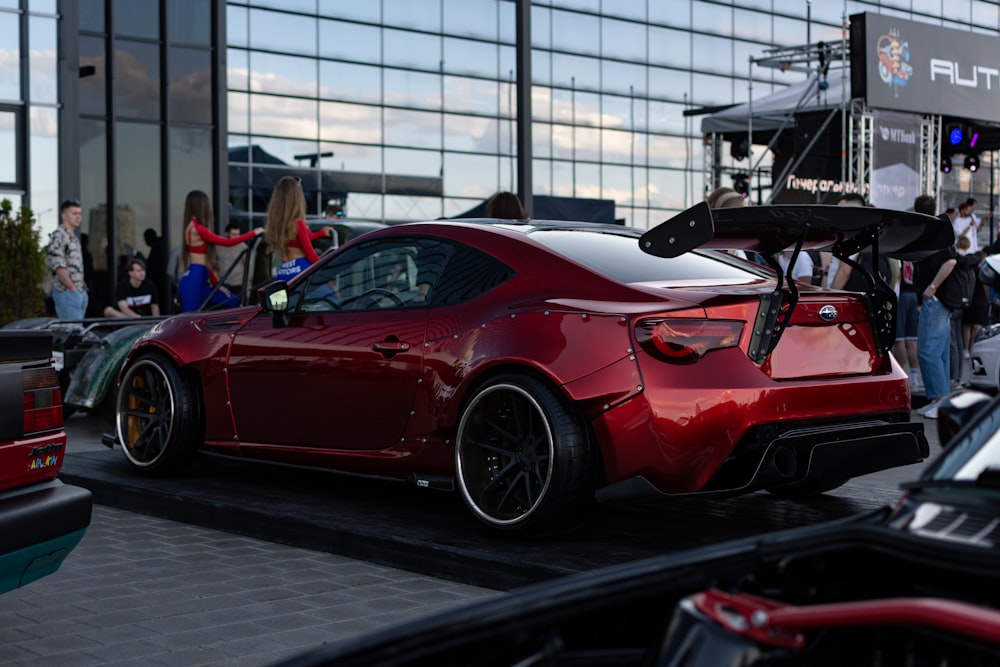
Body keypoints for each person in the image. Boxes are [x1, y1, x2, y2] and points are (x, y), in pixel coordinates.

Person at [178, 190, 263, 312]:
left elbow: (205, 262)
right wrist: (253, 233)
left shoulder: (193, 227)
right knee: (190, 321)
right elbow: (227, 243)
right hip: (194, 280)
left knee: (232, 301)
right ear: (202, 206)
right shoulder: (198, 229)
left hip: (198, 278)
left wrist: (217, 285)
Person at [915, 205, 959, 419]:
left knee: (928, 351)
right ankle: (939, 399)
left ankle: (940, 399)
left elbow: (950, 261)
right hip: (939, 300)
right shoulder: (939, 232)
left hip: (935, 299)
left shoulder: (934, 234)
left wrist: (932, 287)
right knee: (938, 352)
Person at [893, 194, 934, 390]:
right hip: (915, 294)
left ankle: (901, 374)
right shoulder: (925, 240)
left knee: (900, 338)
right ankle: (915, 376)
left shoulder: (902, 243)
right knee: (912, 337)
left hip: (901, 294)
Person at [265, 176, 334, 281]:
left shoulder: (277, 224)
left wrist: (320, 233)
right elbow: (310, 254)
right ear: (297, 198)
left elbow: (300, 239)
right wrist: (325, 272)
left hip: (283, 273)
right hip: (302, 271)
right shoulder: (298, 223)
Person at [45, 199, 88, 320]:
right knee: (71, 332)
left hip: (78, 291)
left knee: (77, 332)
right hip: (66, 292)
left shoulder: (73, 237)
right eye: (74, 213)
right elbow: (58, 267)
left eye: (80, 214)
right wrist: (71, 288)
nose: (78, 217)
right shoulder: (58, 235)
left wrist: (80, 291)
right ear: (64, 215)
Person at [214, 222, 250, 296]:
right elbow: (213, 262)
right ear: (227, 234)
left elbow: (249, 268)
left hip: (238, 284)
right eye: (234, 234)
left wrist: (247, 288)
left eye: (238, 234)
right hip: (222, 282)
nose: (236, 237)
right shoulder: (219, 246)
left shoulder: (243, 248)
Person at [143, 228, 169, 314]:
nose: (145, 241)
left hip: (160, 281)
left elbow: (154, 267)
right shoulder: (161, 246)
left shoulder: (157, 248)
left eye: (145, 238)